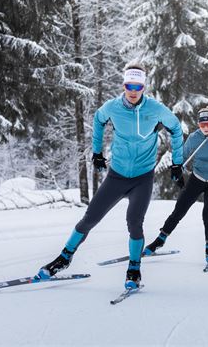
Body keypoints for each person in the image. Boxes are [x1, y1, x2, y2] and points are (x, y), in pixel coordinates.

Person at [36, 62, 184, 289]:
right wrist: (96, 152)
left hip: (142, 178)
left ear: (144, 87)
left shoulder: (155, 109)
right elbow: (97, 119)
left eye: (138, 86)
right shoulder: (112, 107)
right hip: (117, 175)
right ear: (124, 85)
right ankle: (64, 258)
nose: (133, 91)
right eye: (129, 85)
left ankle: (134, 269)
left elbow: (175, 129)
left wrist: (177, 163)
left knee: (134, 223)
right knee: (90, 219)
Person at [143, 106, 208, 265]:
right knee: (178, 211)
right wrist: (178, 170)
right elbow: (182, 155)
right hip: (197, 178)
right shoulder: (195, 138)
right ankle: (160, 240)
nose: (206, 128)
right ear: (198, 125)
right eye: (202, 125)